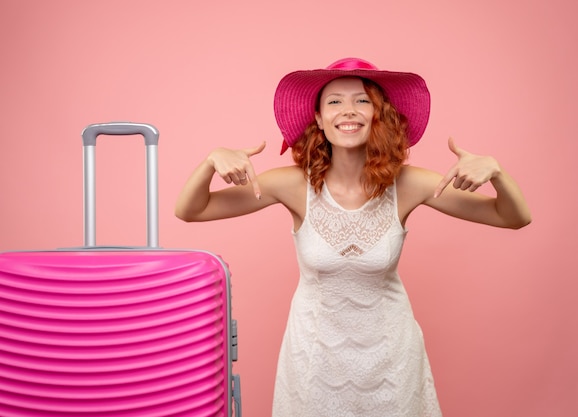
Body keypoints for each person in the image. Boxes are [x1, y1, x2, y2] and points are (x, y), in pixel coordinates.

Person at [174, 57, 531, 417]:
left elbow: (513, 217)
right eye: (335, 101)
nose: (349, 110)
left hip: (391, 362)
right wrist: (210, 161)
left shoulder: (408, 184)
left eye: (362, 100)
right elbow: (192, 210)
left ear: (379, 114)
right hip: (314, 361)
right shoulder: (293, 184)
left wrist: (497, 173)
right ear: (318, 118)